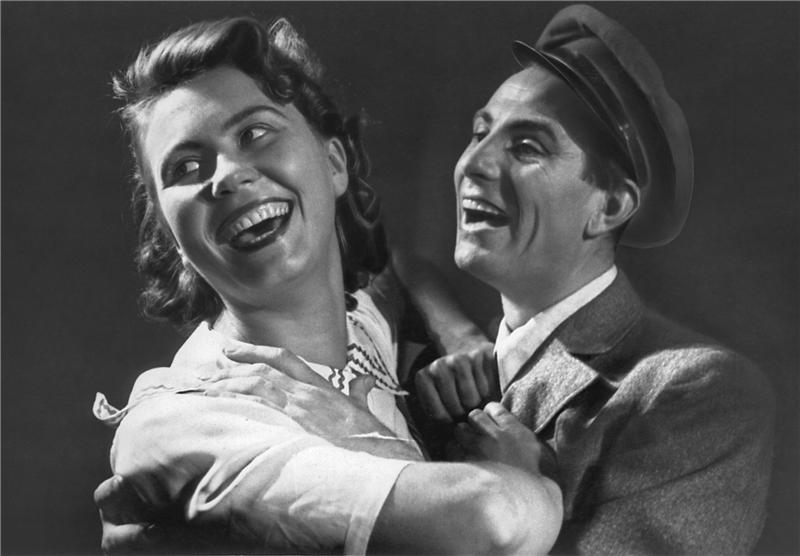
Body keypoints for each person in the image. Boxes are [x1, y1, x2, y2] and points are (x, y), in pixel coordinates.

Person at [92, 16, 561, 555]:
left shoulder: (356, 325)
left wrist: (458, 336)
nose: (226, 176)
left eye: (254, 133)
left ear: (335, 164)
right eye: (185, 167)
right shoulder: (182, 422)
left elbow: (394, 272)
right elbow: (489, 522)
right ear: (170, 235)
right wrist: (526, 476)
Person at [413, 4, 775, 554]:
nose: (473, 164)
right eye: (479, 132)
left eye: (526, 147)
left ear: (609, 207)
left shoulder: (700, 391)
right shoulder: (447, 359)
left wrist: (524, 494)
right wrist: (455, 331)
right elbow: (384, 260)